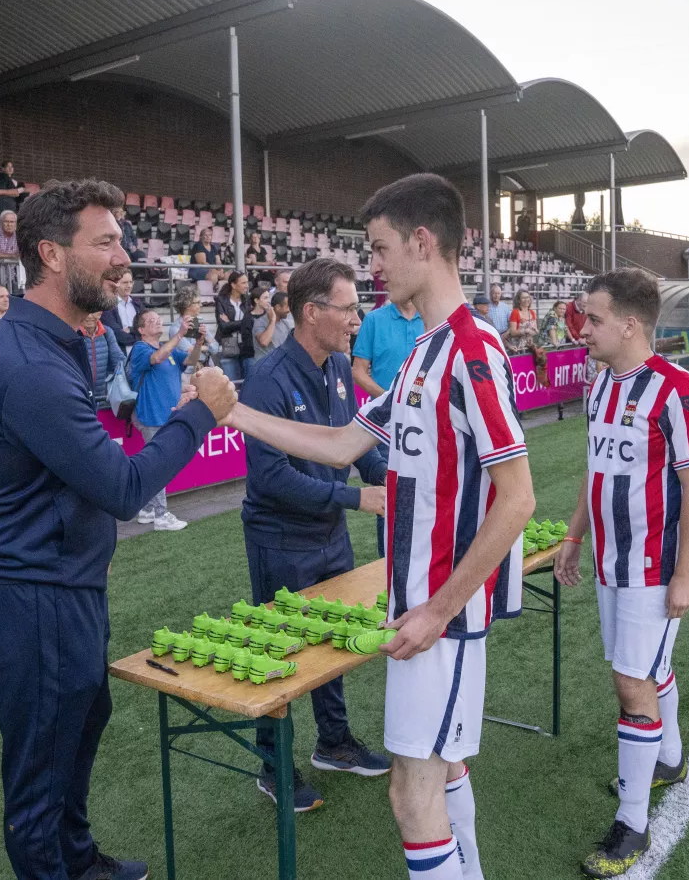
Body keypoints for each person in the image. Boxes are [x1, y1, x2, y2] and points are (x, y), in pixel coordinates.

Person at [227, 174, 535, 879]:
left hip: (441, 614)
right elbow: (341, 447)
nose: (373, 268)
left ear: (422, 243)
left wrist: (438, 609)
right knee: (442, 775)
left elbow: (517, 500)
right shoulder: (424, 355)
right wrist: (233, 414)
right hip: (417, 606)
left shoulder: (472, 350)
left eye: (379, 249)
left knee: (410, 791)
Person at [0, 177, 237, 880]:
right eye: (107, 242)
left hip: (60, 590)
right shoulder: (29, 361)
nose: (125, 256)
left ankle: (80, 863)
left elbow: (69, 480)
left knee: (75, 740)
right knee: (41, 777)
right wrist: (200, 412)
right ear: (52, 254)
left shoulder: (57, 342)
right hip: (35, 604)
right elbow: (119, 487)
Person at [555, 269, 689, 878]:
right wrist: (573, 535)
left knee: (630, 683)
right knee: (646, 668)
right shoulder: (599, 387)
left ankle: (633, 821)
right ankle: (668, 758)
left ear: (629, 324)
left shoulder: (677, 390)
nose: (583, 329)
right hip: (610, 563)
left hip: (653, 566)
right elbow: (598, 472)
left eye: (592, 318)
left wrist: (686, 574)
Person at [240, 258, 391, 812]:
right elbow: (272, 478)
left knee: (332, 644)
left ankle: (335, 743)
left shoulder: (338, 367)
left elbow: (356, 446)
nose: (356, 319)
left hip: (328, 534)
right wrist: (357, 498)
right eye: (347, 308)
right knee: (282, 652)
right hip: (281, 538)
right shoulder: (267, 379)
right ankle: (272, 766)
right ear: (311, 312)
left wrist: (391, 477)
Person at [352, 296, 424, 557]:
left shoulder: (432, 317)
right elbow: (358, 370)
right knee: (390, 495)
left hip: (427, 424)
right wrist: (389, 400)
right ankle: (388, 568)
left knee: (428, 493)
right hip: (385, 429)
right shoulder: (373, 320)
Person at [129, 309, 206, 531]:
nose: (157, 322)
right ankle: (161, 515)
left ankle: (147, 509)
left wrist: (199, 341)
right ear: (141, 330)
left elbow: (191, 359)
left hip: (167, 414)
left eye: (158, 319)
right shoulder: (141, 348)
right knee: (159, 465)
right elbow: (156, 358)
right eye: (150, 321)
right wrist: (180, 334)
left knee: (157, 463)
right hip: (152, 414)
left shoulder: (169, 349)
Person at [79, 311, 125, 403]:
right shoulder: (72, 332)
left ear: (100, 313)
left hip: (103, 396)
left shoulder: (107, 332)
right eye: (86, 311)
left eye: (94, 311)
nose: (90, 316)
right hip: (79, 395)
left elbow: (119, 360)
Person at [168, 284, 220, 362]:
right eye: (198, 302)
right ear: (188, 305)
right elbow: (191, 351)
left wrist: (203, 346)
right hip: (186, 371)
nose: (201, 305)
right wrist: (206, 347)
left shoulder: (200, 323)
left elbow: (216, 348)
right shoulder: (175, 329)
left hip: (203, 367)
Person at [215, 270, 249, 381]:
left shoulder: (246, 300)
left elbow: (251, 322)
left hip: (245, 343)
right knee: (232, 381)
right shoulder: (221, 300)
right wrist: (244, 322)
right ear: (233, 285)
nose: (247, 286)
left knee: (246, 380)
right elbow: (224, 327)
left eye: (247, 282)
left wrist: (231, 322)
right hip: (228, 341)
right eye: (243, 283)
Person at [101, 268, 142, 354]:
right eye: (125, 282)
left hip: (142, 355)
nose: (129, 286)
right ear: (116, 284)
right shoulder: (108, 306)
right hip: (122, 357)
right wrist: (141, 336)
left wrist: (130, 329)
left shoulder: (138, 304)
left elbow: (148, 329)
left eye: (131, 282)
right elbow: (119, 337)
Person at [251, 290, 292, 361]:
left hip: (281, 365)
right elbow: (264, 342)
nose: (289, 310)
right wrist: (272, 320)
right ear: (278, 307)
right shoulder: (259, 322)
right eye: (287, 306)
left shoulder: (286, 322)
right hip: (265, 366)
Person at [506, 288, 538, 353]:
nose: (526, 300)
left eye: (528, 297)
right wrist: (525, 331)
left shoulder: (532, 312)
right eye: (523, 298)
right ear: (519, 300)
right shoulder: (515, 312)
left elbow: (535, 330)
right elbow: (512, 332)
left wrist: (535, 331)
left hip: (528, 346)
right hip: (516, 348)